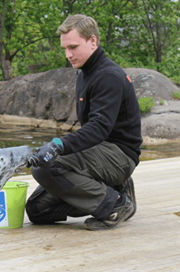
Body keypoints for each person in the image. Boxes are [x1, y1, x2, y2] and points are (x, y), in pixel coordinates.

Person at [26, 14, 143, 231]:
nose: (68, 54)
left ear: (92, 41)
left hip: (120, 155)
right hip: (99, 152)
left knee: (45, 169)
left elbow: (99, 127)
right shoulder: (85, 73)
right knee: (37, 210)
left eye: (73, 47)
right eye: (64, 49)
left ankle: (115, 204)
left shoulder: (108, 76)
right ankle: (115, 191)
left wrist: (58, 145)